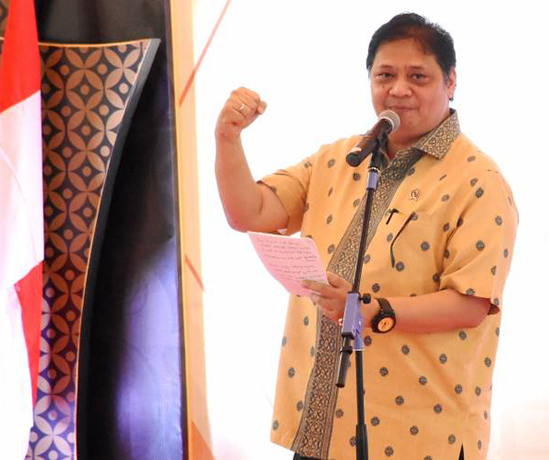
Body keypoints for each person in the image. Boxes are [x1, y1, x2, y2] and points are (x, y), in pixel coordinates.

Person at [215, 12, 518, 460]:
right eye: (385, 75)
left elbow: (471, 302)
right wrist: (227, 139)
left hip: (418, 433)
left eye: (418, 76)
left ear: (451, 81)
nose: (399, 89)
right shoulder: (342, 158)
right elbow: (250, 212)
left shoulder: (478, 179)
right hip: (323, 427)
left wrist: (370, 311)